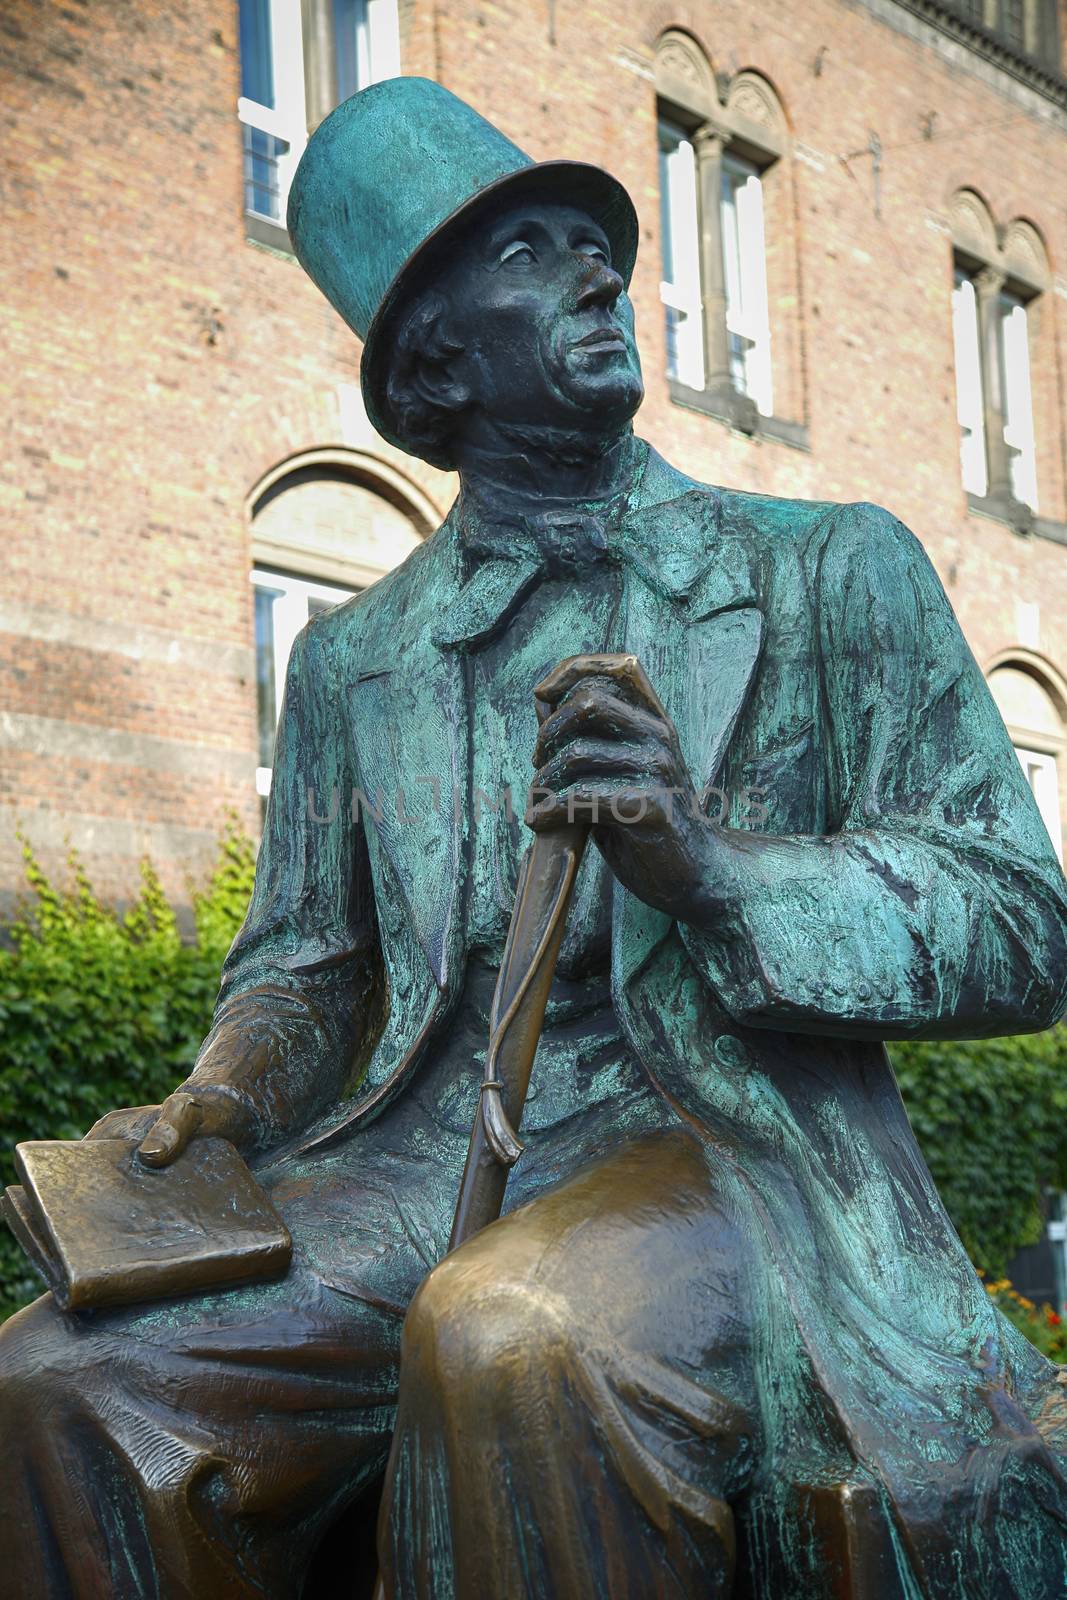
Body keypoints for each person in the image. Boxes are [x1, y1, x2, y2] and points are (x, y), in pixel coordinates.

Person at [3, 76, 1067, 1600]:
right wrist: (226, 1095)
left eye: (595, 242)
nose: (598, 271)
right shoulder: (351, 661)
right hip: (407, 1174)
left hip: (727, 1156)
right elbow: (306, 965)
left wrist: (712, 873)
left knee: (513, 1333)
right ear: (433, 356)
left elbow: (1024, 923)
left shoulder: (832, 570)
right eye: (532, 251)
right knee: (60, 1387)